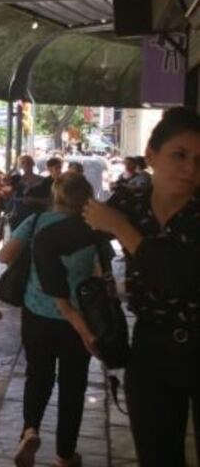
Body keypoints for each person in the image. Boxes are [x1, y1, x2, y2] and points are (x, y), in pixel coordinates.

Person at [83, 107, 200, 467]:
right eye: (179, 155)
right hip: (151, 346)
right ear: (151, 156)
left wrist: (121, 229)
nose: (190, 169)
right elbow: (81, 231)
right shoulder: (130, 203)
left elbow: (180, 276)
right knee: (156, 454)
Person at [0, 173, 100, 467]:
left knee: (38, 375)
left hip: (37, 314)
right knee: (73, 386)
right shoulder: (91, 229)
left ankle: (29, 431)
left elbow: (4, 256)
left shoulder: (36, 223)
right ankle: (65, 455)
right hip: (77, 320)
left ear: (56, 196)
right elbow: (99, 275)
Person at [6, 155, 52, 230]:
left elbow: (49, 201)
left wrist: (33, 200)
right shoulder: (17, 179)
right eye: (23, 162)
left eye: (28, 162)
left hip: (35, 215)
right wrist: (13, 168)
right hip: (18, 215)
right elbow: (5, 181)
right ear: (20, 166)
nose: (26, 164)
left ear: (33, 163)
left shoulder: (43, 181)